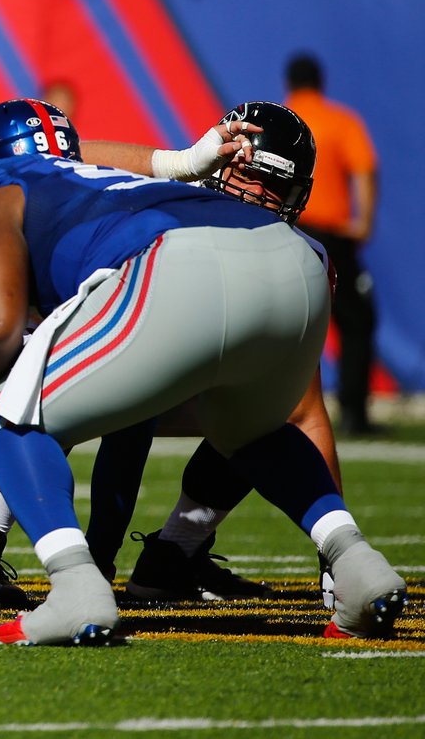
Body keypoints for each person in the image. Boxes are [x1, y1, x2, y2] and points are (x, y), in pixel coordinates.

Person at [0, 97, 406, 646]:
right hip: (294, 264)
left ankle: (70, 585)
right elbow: (301, 416)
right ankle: (355, 562)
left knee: (1, 416)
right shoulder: (119, 182)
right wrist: (181, 162)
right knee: (253, 433)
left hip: (175, 263)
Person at [80, 102, 343, 603]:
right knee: (128, 402)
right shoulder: (170, 207)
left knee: (264, 414)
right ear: (219, 166)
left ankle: (174, 555)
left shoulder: (304, 259)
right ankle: (63, 558)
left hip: (196, 391)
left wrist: (337, 551)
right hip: (99, 371)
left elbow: (306, 410)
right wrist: (177, 162)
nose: (258, 196)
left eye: (275, 187)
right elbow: (67, 156)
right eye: (249, 177)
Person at [285, 52, 381, 435]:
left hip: (286, 227)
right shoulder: (340, 121)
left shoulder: (283, 121)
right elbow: (364, 170)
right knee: (356, 321)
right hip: (331, 236)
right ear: (320, 82)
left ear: (289, 84)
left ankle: (273, 407)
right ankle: (354, 413)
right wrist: (364, 222)